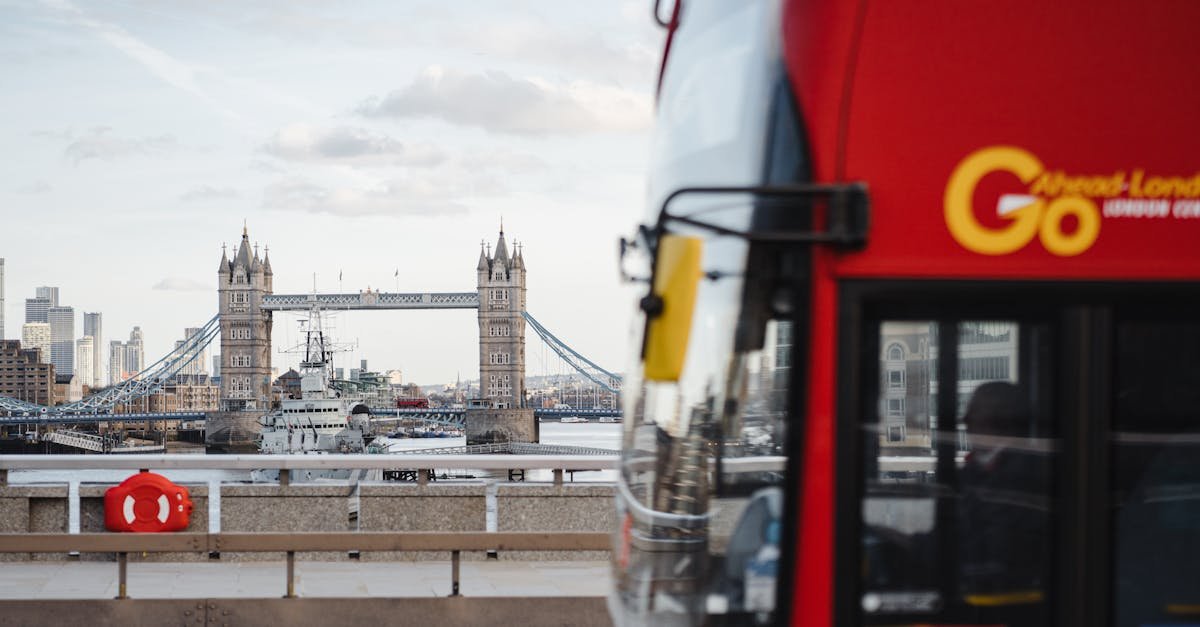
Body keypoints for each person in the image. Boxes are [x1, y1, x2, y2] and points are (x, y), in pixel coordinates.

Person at [957, 381, 1052, 607]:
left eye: (973, 414)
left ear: (1000, 421)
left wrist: (915, 544)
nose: (965, 421)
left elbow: (986, 547)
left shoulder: (1025, 476)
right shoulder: (976, 469)